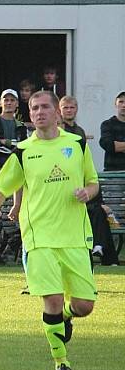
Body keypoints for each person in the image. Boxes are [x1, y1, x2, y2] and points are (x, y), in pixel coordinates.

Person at [0, 90, 98, 370]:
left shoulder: (76, 144)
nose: (39, 112)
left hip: (74, 236)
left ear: (57, 113)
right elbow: (2, 183)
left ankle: (66, 317)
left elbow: (93, 181)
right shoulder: (23, 150)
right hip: (39, 238)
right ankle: (61, 363)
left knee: (84, 306)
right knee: (51, 299)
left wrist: (87, 192)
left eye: (44, 107)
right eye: (34, 108)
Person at [62, 96, 119, 266]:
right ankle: (100, 249)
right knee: (94, 211)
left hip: (81, 181)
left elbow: (88, 171)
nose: (69, 111)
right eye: (65, 108)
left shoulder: (79, 132)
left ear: (76, 109)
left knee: (98, 210)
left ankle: (101, 249)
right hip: (64, 186)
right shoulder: (58, 131)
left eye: (72, 107)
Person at [0, 89, 28, 172]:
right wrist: (16, 148)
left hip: (16, 169)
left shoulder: (22, 126)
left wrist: (7, 142)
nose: (9, 103)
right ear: (1, 103)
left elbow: (25, 147)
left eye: (12, 100)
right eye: (6, 100)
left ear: (17, 104)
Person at [98, 91, 125, 171]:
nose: (124, 105)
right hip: (112, 174)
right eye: (121, 102)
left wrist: (119, 146)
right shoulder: (107, 124)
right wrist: (114, 146)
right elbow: (109, 145)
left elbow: (115, 146)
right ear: (115, 104)